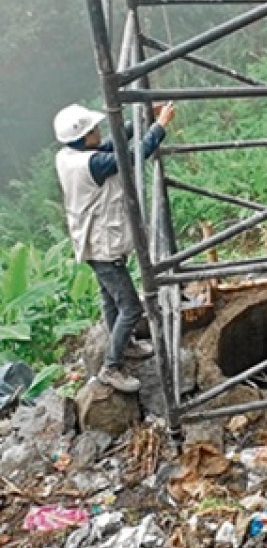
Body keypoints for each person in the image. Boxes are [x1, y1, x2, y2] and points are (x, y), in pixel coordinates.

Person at [53, 102, 176, 393]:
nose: (99, 132)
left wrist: (143, 117)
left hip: (92, 241)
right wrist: (159, 126)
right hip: (102, 245)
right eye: (94, 129)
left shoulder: (69, 155)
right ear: (84, 137)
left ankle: (126, 345)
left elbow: (112, 144)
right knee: (131, 307)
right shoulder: (93, 164)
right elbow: (132, 155)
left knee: (111, 300)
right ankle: (112, 366)